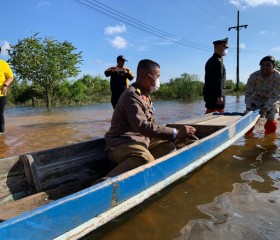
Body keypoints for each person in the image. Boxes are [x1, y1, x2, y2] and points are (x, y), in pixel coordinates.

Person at [104, 59, 196, 178]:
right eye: (157, 77)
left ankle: (148, 175)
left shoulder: (145, 94)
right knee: (143, 159)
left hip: (141, 140)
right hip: (120, 143)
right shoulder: (131, 95)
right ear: (148, 77)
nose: (158, 80)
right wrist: (176, 132)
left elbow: (150, 125)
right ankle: (102, 184)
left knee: (169, 147)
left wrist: (176, 137)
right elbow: (143, 126)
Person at [245, 55, 280, 135]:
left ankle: (268, 138)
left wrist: (265, 108)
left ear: (273, 66)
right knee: (248, 119)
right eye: (262, 65)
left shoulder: (278, 77)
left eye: (268, 65)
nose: (264, 67)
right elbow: (248, 93)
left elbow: (276, 95)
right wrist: (248, 107)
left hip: (272, 101)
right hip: (256, 100)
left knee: (271, 119)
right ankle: (248, 137)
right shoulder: (254, 76)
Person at [203, 38, 228, 114]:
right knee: (217, 116)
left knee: (209, 114)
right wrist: (219, 96)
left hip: (210, 94)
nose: (226, 50)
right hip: (216, 96)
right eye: (225, 47)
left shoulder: (210, 60)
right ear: (220, 47)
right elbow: (219, 79)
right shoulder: (218, 61)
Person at [0, 47, 14, 133]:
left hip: (0, 94)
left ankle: (1, 134)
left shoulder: (3, 64)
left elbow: (10, 77)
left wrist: (5, 85)